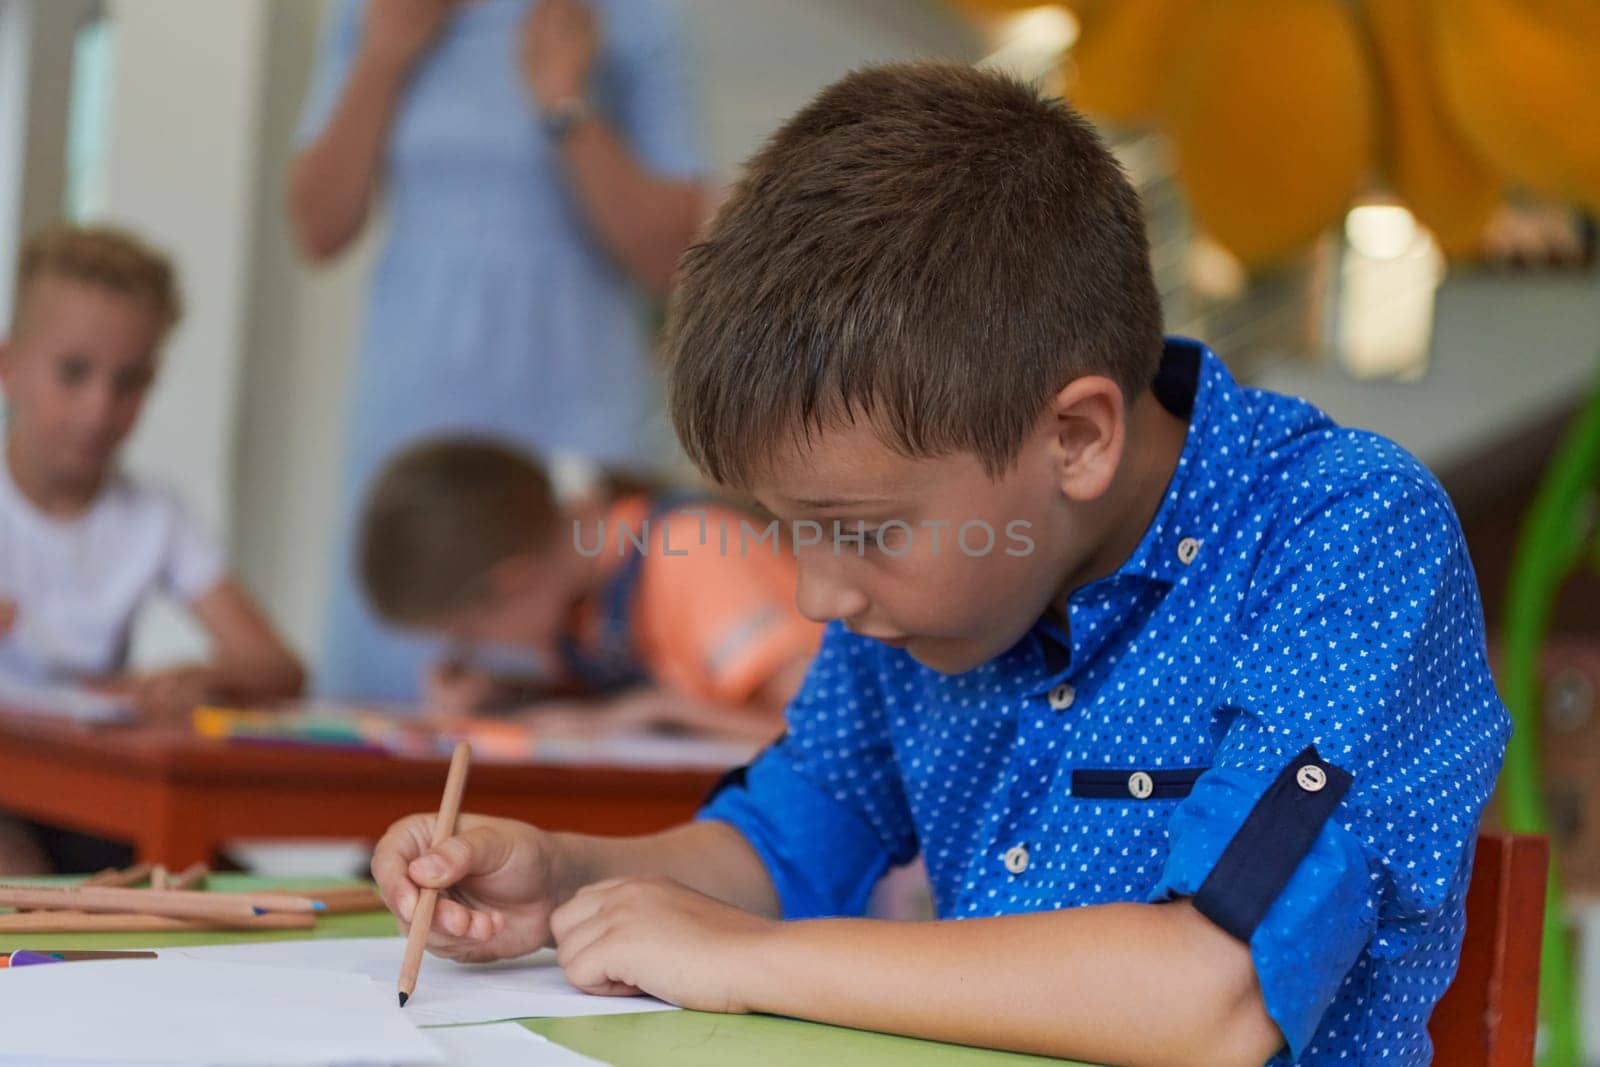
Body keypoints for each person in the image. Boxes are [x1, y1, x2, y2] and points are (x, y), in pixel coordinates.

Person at [369, 65, 1510, 1065]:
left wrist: (755, 956)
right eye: (788, 529)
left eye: (856, 531)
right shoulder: (925, 594)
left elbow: (1212, 993)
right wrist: (563, 873)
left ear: (1073, 438)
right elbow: (785, 842)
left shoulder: (1342, 534)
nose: (818, 592)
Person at [290, 0, 706, 702]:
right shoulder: (371, 13)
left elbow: (674, 257)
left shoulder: (631, 17)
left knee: (576, 697)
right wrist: (384, 54)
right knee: (402, 695)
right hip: (414, 413)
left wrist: (564, 100)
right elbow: (318, 226)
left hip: (573, 413)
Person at [0, 224, 304, 872]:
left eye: (130, 381)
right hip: (9, 798)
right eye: (74, 372)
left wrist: (202, 676)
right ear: (9, 366)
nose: (99, 408)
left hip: (102, 797)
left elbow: (278, 666)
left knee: (223, 897)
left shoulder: (154, 515)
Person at [358, 436, 817, 741]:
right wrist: (505, 698)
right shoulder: (582, 604)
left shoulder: (695, 551)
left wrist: (649, 715)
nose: (476, 650)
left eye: (469, 636)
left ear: (515, 583)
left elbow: (823, 729)